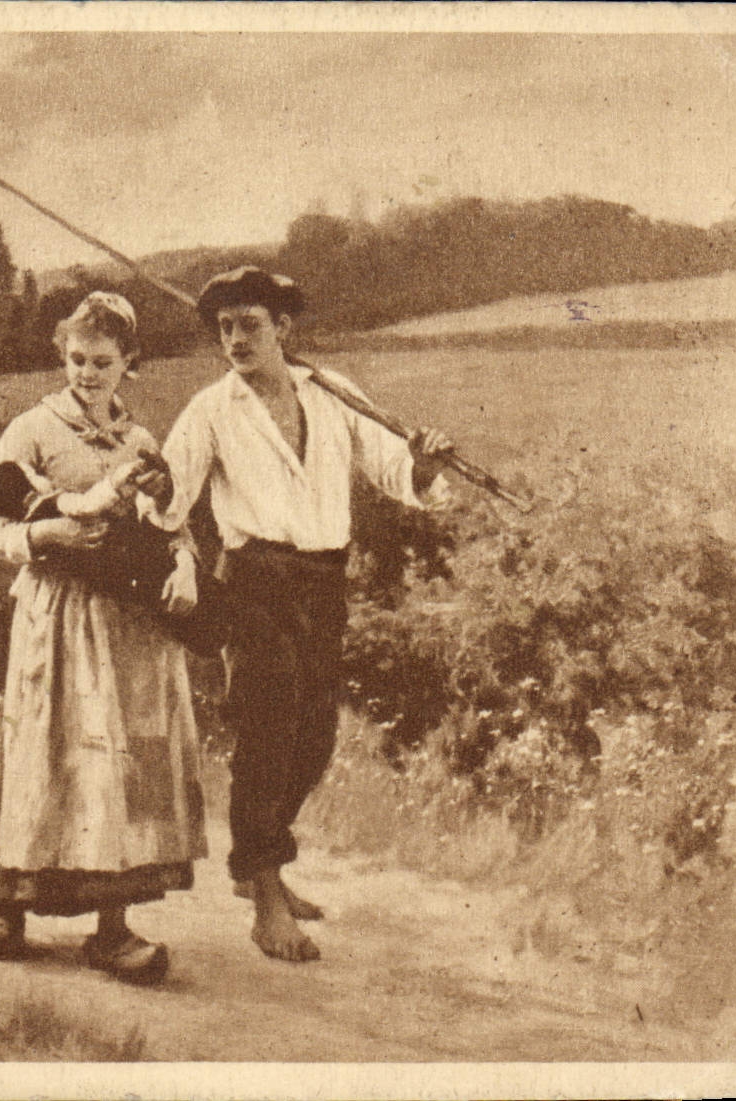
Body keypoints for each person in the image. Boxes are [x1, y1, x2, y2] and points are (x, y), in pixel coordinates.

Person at [146, 267, 453, 963]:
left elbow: (394, 472)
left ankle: (260, 863)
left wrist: (425, 464)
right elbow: (168, 496)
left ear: (283, 327)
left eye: (248, 324)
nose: (233, 339)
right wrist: (155, 487)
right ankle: (262, 896)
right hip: (253, 579)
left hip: (322, 582)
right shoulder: (210, 409)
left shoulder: (334, 393)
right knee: (266, 730)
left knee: (314, 737)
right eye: (223, 327)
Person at [0, 291, 208, 986]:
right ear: (61, 355)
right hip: (58, 614)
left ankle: (111, 927)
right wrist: (47, 532)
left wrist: (188, 566)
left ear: (127, 362)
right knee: (41, 747)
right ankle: (3, 904)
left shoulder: (139, 442)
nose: (87, 373)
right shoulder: (31, 430)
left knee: (124, 760)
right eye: (76, 359)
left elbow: (174, 520)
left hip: (129, 624)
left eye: (102, 362)